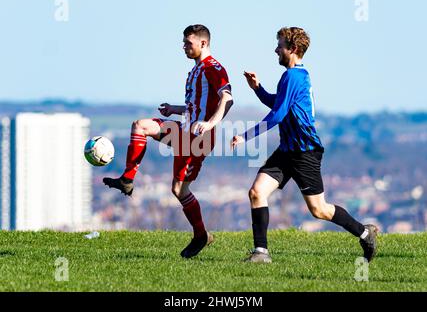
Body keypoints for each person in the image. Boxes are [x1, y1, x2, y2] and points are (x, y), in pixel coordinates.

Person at [231, 27, 378, 263]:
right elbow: (279, 105)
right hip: (287, 150)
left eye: (280, 45)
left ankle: (364, 232)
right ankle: (261, 253)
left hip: (305, 153)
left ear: (294, 49)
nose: (276, 49)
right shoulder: (293, 76)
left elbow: (277, 115)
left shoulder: (293, 76)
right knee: (256, 192)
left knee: (319, 210)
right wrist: (257, 89)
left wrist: (245, 136)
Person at [104, 24, 233, 259]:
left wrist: (210, 124)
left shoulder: (214, 68)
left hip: (199, 139)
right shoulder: (195, 70)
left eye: (188, 43)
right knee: (140, 125)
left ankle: (201, 235)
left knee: (178, 189)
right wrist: (175, 109)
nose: (184, 46)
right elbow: (197, 105)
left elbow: (227, 99)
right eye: (183, 42)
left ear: (203, 43)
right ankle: (127, 179)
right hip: (184, 129)